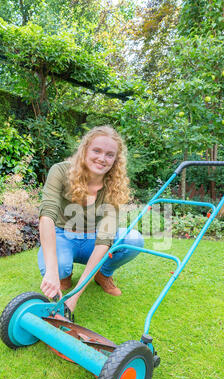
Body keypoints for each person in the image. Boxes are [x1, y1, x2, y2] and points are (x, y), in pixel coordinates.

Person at [37, 125, 144, 315]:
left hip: (93, 239)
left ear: (116, 160)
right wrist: (52, 271)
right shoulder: (60, 171)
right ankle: (63, 274)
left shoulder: (114, 186)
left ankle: (103, 274)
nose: (102, 158)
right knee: (58, 269)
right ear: (85, 150)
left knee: (133, 239)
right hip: (63, 236)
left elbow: (105, 239)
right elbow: (47, 216)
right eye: (97, 150)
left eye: (110, 154)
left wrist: (75, 296)